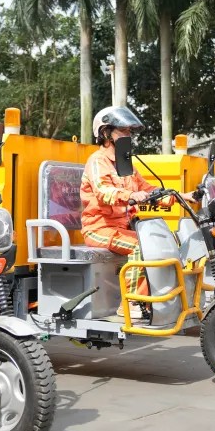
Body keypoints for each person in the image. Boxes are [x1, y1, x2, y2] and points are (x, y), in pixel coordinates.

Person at [80, 106, 180, 320]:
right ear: (106, 133)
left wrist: (178, 196)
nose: (129, 135)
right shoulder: (97, 161)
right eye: (123, 131)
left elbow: (147, 188)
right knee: (139, 247)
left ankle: (154, 299)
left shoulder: (126, 164)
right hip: (99, 228)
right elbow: (103, 192)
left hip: (122, 227)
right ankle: (131, 302)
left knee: (160, 242)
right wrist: (131, 195)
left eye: (129, 131)